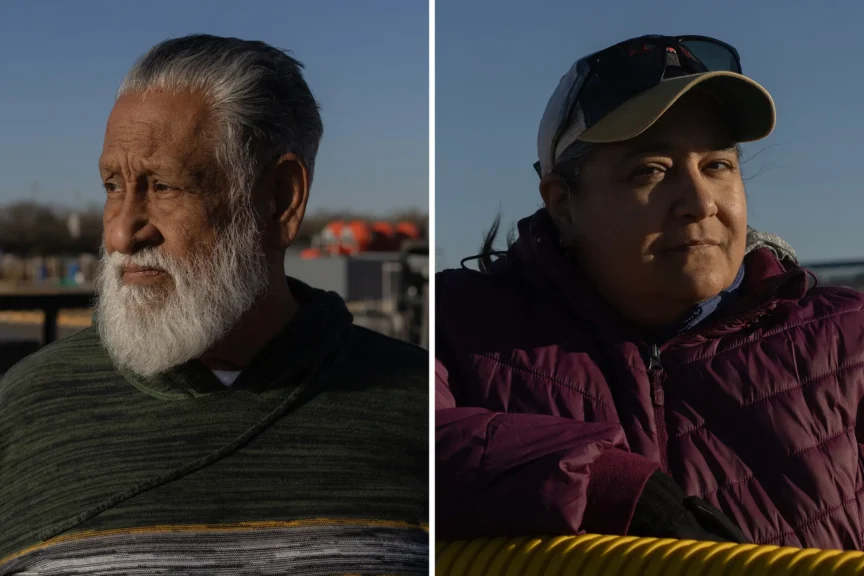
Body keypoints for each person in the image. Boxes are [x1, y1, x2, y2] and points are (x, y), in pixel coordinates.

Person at [0, 35, 428, 573]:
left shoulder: (421, 409)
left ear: (280, 199)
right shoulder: (24, 411)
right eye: (113, 186)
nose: (120, 233)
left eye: (163, 185)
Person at [436, 34, 864, 551]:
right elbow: (395, 446)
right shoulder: (457, 327)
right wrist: (602, 483)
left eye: (717, 165)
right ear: (563, 203)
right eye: (651, 170)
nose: (699, 202)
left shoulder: (846, 337)